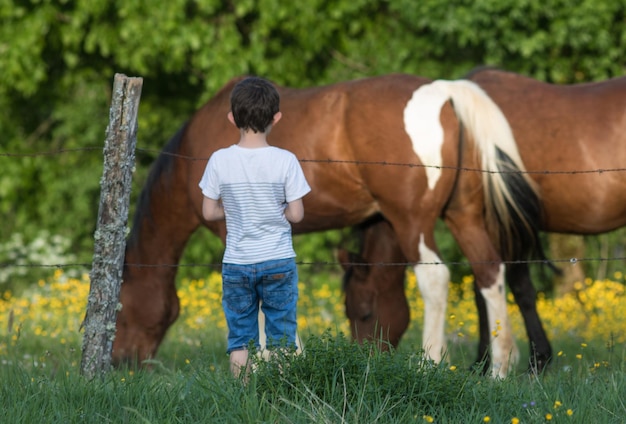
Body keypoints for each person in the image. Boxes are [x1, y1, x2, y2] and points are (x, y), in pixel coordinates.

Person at [198, 76, 311, 378]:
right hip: (277, 260)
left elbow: (208, 212)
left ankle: (242, 398)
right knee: (282, 336)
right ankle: (280, 393)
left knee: (241, 339)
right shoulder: (286, 161)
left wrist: (231, 207)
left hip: (237, 263)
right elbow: (297, 214)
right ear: (277, 118)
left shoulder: (219, 160)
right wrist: (278, 210)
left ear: (232, 118)